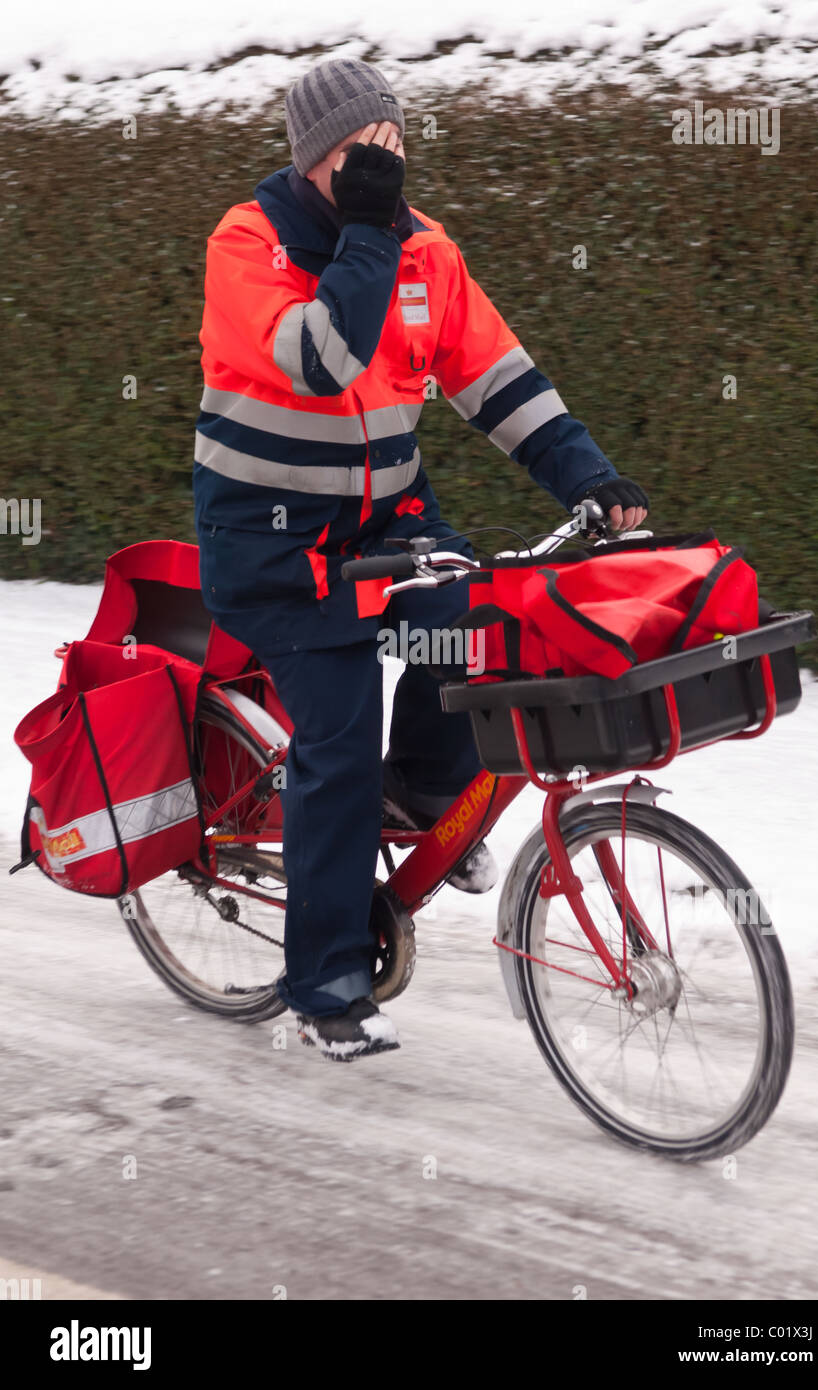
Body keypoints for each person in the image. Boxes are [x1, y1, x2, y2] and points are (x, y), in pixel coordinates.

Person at [193, 58, 649, 1061]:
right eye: (365, 152)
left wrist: (591, 479)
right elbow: (324, 357)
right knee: (339, 737)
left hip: (385, 519)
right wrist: (362, 232)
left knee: (481, 627)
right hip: (271, 542)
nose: (386, 168)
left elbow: (498, 381)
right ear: (316, 161)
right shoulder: (249, 242)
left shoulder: (423, 251)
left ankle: (418, 800)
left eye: (395, 147)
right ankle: (324, 985)